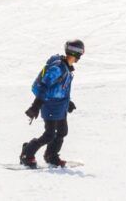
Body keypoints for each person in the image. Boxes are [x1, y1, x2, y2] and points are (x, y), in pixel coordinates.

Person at [19, 39, 84, 168]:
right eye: (81, 53)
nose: (80, 57)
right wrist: (35, 106)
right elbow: (44, 86)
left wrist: (68, 102)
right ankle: (27, 153)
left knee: (62, 132)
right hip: (49, 105)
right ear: (75, 53)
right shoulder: (57, 68)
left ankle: (51, 155)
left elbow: (60, 88)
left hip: (60, 106)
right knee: (49, 135)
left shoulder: (66, 68)